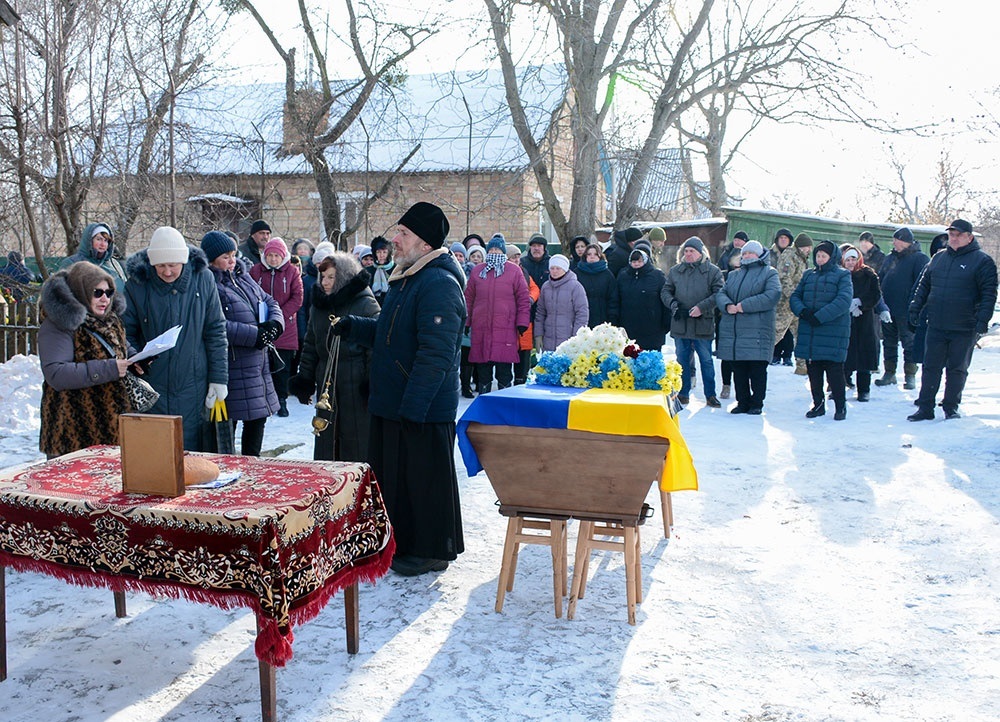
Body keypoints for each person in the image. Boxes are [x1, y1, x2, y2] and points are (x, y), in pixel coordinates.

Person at [332, 201, 466, 576]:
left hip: (420, 407)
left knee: (424, 482)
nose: (396, 238)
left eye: (404, 233)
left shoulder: (438, 282)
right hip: (396, 401)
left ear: (425, 243)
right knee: (400, 481)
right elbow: (393, 336)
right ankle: (403, 542)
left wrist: (415, 406)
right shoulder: (408, 277)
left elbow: (436, 354)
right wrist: (355, 327)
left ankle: (432, 550)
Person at [123, 227, 228, 451]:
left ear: (184, 261)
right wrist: (134, 357)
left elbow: (215, 330)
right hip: (153, 383)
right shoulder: (137, 285)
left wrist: (219, 378)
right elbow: (124, 331)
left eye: (173, 265)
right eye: (161, 266)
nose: (167, 272)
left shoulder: (203, 279)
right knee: (157, 452)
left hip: (194, 383)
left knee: (192, 451)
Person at [289, 250, 379, 460]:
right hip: (327, 383)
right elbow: (311, 345)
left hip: (355, 384)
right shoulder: (320, 306)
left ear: (345, 277)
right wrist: (305, 379)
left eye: (331, 277)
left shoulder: (365, 303)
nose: (326, 282)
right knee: (326, 438)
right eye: (323, 277)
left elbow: (375, 346)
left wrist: (371, 383)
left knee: (356, 441)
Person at [38, 262, 133, 458]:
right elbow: (56, 374)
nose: (104, 299)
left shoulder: (109, 318)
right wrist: (110, 369)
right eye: (97, 292)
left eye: (109, 292)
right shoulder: (59, 324)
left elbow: (118, 347)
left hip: (109, 431)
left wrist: (136, 358)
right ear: (81, 291)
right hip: (72, 435)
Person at [907, 219, 998, 421]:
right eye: (951, 235)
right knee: (931, 367)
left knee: (957, 369)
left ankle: (950, 407)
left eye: (958, 235)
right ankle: (925, 407)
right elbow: (924, 287)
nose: (954, 238)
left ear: (969, 237)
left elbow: (988, 294)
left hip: (964, 326)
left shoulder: (982, 261)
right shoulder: (938, 258)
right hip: (937, 323)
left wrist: (983, 319)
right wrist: (915, 308)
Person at [202, 231, 281, 457]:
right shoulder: (211, 284)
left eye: (233, 254)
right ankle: (231, 467)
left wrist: (275, 324)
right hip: (233, 364)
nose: (232, 260)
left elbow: (268, 300)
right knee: (231, 422)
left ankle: (252, 466)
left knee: (258, 419)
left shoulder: (242, 276)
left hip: (257, 364)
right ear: (211, 260)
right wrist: (255, 335)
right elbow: (217, 325)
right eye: (225, 256)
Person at [790, 240, 853, 420]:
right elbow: (795, 296)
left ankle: (840, 407)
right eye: (818, 255)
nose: (820, 259)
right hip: (810, 331)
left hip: (833, 331)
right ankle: (818, 405)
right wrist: (803, 311)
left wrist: (820, 316)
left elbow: (843, 301)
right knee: (814, 372)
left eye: (823, 256)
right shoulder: (809, 275)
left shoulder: (842, 276)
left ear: (832, 257)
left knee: (834, 372)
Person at [715, 241, 780, 414]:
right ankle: (742, 401)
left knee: (757, 369)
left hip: (757, 330)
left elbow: (772, 295)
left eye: (751, 253)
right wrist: (728, 305)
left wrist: (744, 305)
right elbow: (722, 293)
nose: (747, 256)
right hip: (736, 331)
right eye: (744, 253)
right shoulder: (735, 275)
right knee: (739, 369)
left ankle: (757, 403)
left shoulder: (769, 273)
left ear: (759, 255)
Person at [661, 236, 724, 407]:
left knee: (706, 361)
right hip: (681, 323)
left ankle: (710, 394)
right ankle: (683, 393)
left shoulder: (713, 271)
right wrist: (674, 304)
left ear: (700, 253)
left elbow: (719, 293)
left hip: (703, 324)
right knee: (682, 361)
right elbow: (665, 291)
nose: (688, 254)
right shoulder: (675, 271)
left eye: (692, 251)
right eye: (686, 251)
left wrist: (701, 307)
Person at [464, 234, 531, 393]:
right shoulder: (478, 271)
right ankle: (484, 404)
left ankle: (504, 404)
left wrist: (522, 322)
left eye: (498, 249)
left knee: (504, 372)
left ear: (503, 252)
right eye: (491, 249)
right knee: (483, 372)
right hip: (481, 328)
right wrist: (466, 321)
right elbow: (468, 298)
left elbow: (523, 298)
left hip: (505, 329)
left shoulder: (514, 270)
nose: (494, 252)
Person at [250, 237, 304, 417]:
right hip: (261, 323)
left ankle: (281, 399)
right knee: (263, 364)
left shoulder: (292, 271)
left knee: (283, 367)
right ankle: (263, 398)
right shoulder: (256, 271)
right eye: (270, 255)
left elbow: (297, 297)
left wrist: (279, 315)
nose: (273, 259)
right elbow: (249, 292)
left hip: (285, 327)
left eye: (277, 256)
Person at [875, 227, 929, 390]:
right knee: (889, 343)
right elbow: (880, 280)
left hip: (907, 310)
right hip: (888, 309)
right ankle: (889, 373)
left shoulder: (919, 259)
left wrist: (916, 308)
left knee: (909, 343)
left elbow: (923, 285)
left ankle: (910, 375)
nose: (894, 243)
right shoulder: (890, 258)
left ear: (905, 241)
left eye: (896, 240)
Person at [840, 244, 882, 403]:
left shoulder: (869, 275)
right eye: (848, 260)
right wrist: (846, 305)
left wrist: (861, 303)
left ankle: (864, 390)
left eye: (853, 259)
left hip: (865, 321)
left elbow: (876, 295)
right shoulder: (840, 275)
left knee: (864, 356)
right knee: (844, 355)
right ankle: (841, 385)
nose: (850, 263)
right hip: (844, 320)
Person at [614, 243, 669, 351]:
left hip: (652, 329)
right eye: (634, 261)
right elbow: (617, 299)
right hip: (629, 328)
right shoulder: (623, 276)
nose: (637, 264)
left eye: (639, 261)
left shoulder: (657, 276)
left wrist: (666, 324)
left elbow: (665, 300)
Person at [774, 233, 813, 373]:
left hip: (797, 305)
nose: (809, 250)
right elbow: (784, 279)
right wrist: (794, 298)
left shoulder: (801, 258)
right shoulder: (789, 256)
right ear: (800, 247)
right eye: (807, 247)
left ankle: (802, 366)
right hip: (785, 305)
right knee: (775, 334)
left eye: (809, 247)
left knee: (801, 335)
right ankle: (754, 360)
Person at [535, 254, 588, 351]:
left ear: (565, 269)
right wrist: (538, 334)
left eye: (558, 268)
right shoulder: (546, 287)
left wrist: (577, 337)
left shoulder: (575, 287)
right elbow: (540, 313)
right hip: (548, 340)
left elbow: (582, 313)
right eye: (552, 268)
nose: (554, 271)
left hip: (568, 340)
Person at [506, 245, 540, 385]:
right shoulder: (503, 272)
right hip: (508, 319)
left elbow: (534, 288)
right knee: (507, 351)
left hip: (524, 317)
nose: (516, 259)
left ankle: (521, 379)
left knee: (524, 351)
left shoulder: (524, 272)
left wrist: (530, 299)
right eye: (513, 256)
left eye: (518, 256)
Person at [60, 223, 127, 291]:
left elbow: (125, 289)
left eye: (106, 240)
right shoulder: (72, 263)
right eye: (98, 239)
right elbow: (61, 292)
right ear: (89, 241)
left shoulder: (114, 264)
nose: (103, 244)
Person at [716, 251, 742, 399]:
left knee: (741, 357)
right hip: (726, 318)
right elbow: (720, 294)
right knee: (725, 354)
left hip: (744, 320)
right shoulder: (727, 276)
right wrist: (727, 305)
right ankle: (726, 385)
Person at [575, 243, 618, 327]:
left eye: (595, 254)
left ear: (600, 256)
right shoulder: (577, 273)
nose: (592, 257)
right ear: (585, 256)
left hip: (603, 317)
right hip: (582, 317)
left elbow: (613, 298)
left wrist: (612, 318)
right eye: (589, 254)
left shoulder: (607, 274)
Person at [369, 236, 394, 305]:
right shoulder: (369, 270)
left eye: (384, 252)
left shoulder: (395, 268)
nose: (381, 255)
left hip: (391, 302)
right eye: (379, 252)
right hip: (374, 304)